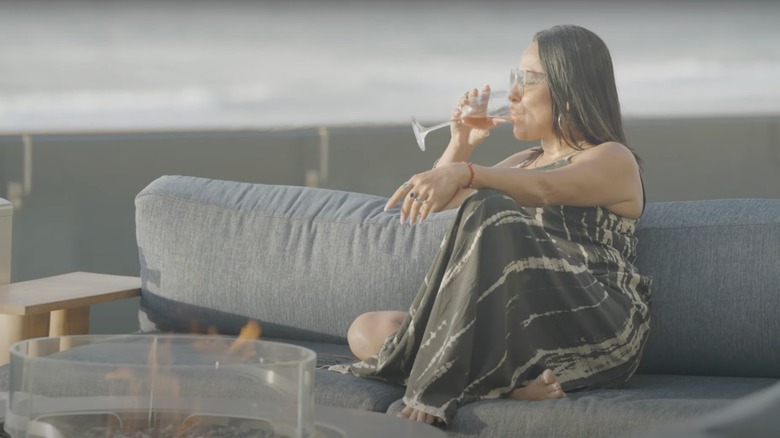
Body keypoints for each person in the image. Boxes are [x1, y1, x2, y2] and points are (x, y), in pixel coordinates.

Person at [329, 24, 652, 427]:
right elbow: (434, 204)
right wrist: (461, 143)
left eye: (527, 80)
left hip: (594, 321)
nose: (513, 93)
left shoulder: (611, 158)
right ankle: (504, 382)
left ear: (570, 90)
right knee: (367, 331)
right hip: (516, 320)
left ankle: (443, 384)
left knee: (491, 206)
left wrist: (469, 172)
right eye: (513, 79)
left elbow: (546, 189)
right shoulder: (520, 162)